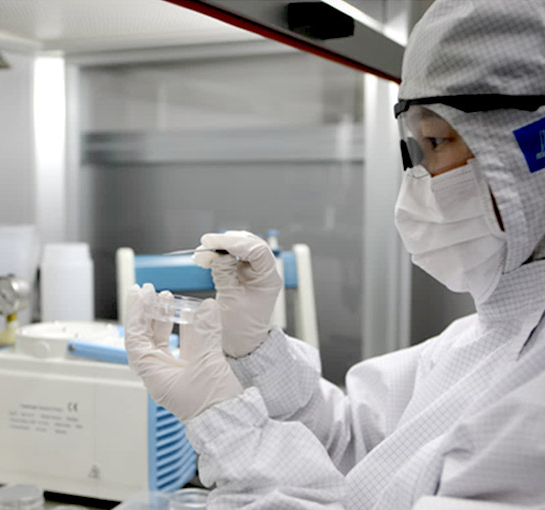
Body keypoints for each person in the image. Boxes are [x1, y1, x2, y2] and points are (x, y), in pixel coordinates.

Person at [125, 0, 545, 507]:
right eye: (417, 146)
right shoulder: (493, 331)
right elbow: (352, 447)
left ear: (531, 147)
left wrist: (226, 422)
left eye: (436, 141)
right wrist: (255, 351)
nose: (421, 178)